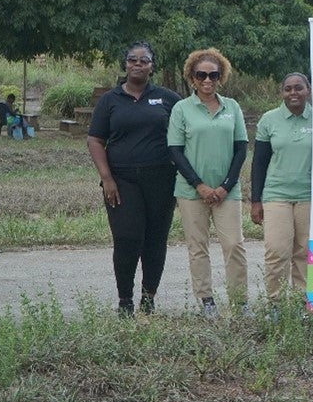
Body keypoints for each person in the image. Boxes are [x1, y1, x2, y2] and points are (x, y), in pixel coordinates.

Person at [86, 41, 181, 316]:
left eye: (144, 60)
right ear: (125, 64)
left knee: (155, 240)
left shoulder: (168, 99)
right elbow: (95, 139)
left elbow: (188, 130)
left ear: (152, 66)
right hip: (122, 181)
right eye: (132, 60)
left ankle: (148, 298)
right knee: (127, 239)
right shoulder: (110, 100)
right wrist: (107, 179)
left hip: (162, 180)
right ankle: (125, 301)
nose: (138, 64)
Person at [167, 47, 249, 318]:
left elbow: (241, 149)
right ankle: (207, 301)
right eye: (201, 74)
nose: (207, 80)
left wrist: (226, 185)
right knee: (198, 246)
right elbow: (175, 151)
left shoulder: (232, 107)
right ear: (192, 76)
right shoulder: (181, 109)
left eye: (213, 74)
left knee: (234, 245)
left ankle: (239, 302)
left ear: (220, 76)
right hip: (192, 192)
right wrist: (199, 185)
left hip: (228, 191)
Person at [249, 73, 312, 304]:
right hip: (277, 195)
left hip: (309, 196)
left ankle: (301, 303)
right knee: (277, 252)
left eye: (298, 88)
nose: (293, 93)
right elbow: (259, 162)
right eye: (288, 89)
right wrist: (256, 200)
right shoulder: (269, 120)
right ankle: (275, 303)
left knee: (305, 252)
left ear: (308, 90)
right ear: (282, 92)